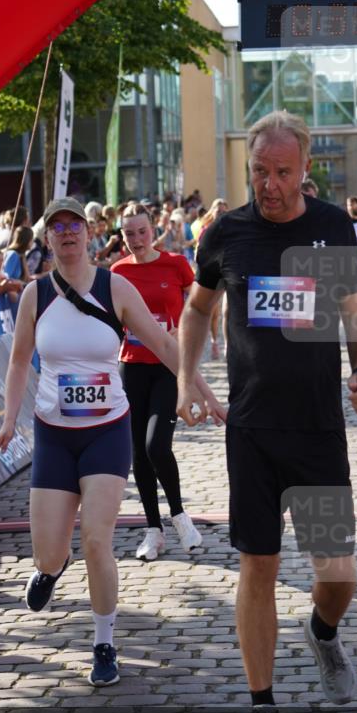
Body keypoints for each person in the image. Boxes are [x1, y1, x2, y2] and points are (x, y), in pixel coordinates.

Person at [176, 111, 357, 713]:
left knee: (338, 574)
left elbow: (355, 310)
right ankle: (261, 708)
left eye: (280, 173)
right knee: (256, 566)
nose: (268, 184)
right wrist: (186, 376)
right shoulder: (225, 234)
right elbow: (196, 309)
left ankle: (321, 632)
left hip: (317, 428)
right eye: (258, 171)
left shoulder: (329, 226)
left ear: (304, 171)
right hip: (252, 429)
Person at [0, 197, 225, 687]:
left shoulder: (113, 286)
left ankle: (103, 643)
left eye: (75, 224)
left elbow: (164, 345)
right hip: (54, 435)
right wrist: (10, 420)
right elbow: (16, 363)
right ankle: (52, 570)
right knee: (48, 553)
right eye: (57, 226)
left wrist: (202, 391)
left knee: (97, 538)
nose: (68, 233)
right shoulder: (36, 295)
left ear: (89, 235)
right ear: (48, 239)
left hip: (106, 431)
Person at [112, 203, 203, 561]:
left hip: (167, 365)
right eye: (128, 233)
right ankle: (154, 530)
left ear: (154, 230)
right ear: (121, 236)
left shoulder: (176, 264)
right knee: (138, 453)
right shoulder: (117, 272)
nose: (136, 239)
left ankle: (180, 516)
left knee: (156, 445)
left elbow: (198, 307)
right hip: (130, 367)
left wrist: (191, 336)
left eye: (142, 231)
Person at [196, 198, 230, 358]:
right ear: (212, 213)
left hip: (229, 272)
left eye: (224, 211)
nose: (221, 214)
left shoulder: (233, 229)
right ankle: (213, 341)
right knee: (213, 312)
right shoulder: (206, 230)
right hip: (212, 273)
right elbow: (199, 252)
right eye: (218, 211)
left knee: (226, 310)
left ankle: (226, 344)